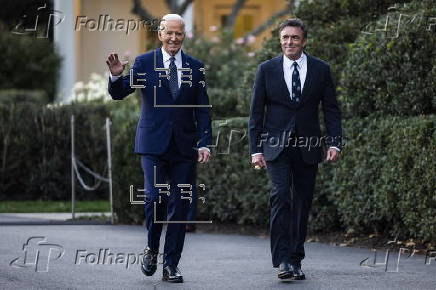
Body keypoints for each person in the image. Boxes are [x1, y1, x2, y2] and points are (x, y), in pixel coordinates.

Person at [106, 14, 211, 283]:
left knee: (181, 204)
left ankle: (171, 265)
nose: (174, 38)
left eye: (178, 33)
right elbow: (119, 94)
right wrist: (116, 77)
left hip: (184, 148)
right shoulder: (144, 63)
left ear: (184, 35)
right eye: (169, 33)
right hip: (153, 145)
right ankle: (152, 248)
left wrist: (204, 142)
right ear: (160, 35)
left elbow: (202, 109)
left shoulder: (196, 68)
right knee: (155, 198)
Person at [248, 18, 342, 281]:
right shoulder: (266, 69)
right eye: (285, 38)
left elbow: (331, 109)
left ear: (304, 41)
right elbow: (256, 113)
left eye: (294, 38)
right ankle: (282, 261)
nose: (289, 42)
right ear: (280, 40)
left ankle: (295, 259)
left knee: (301, 202)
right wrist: (255, 149)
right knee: (280, 196)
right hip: (275, 147)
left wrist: (335, 142)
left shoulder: (321, 70)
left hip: (309, 147)